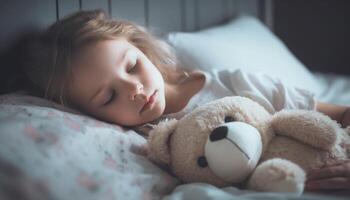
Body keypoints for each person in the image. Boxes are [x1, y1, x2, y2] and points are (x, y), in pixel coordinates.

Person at [18, 10, 350, 191]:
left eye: (133, 66)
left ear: (142, 49)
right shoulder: (143, 144)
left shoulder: (230, 83)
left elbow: (341, 115)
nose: (134, 89)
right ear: (86, 112)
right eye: (108, 96)